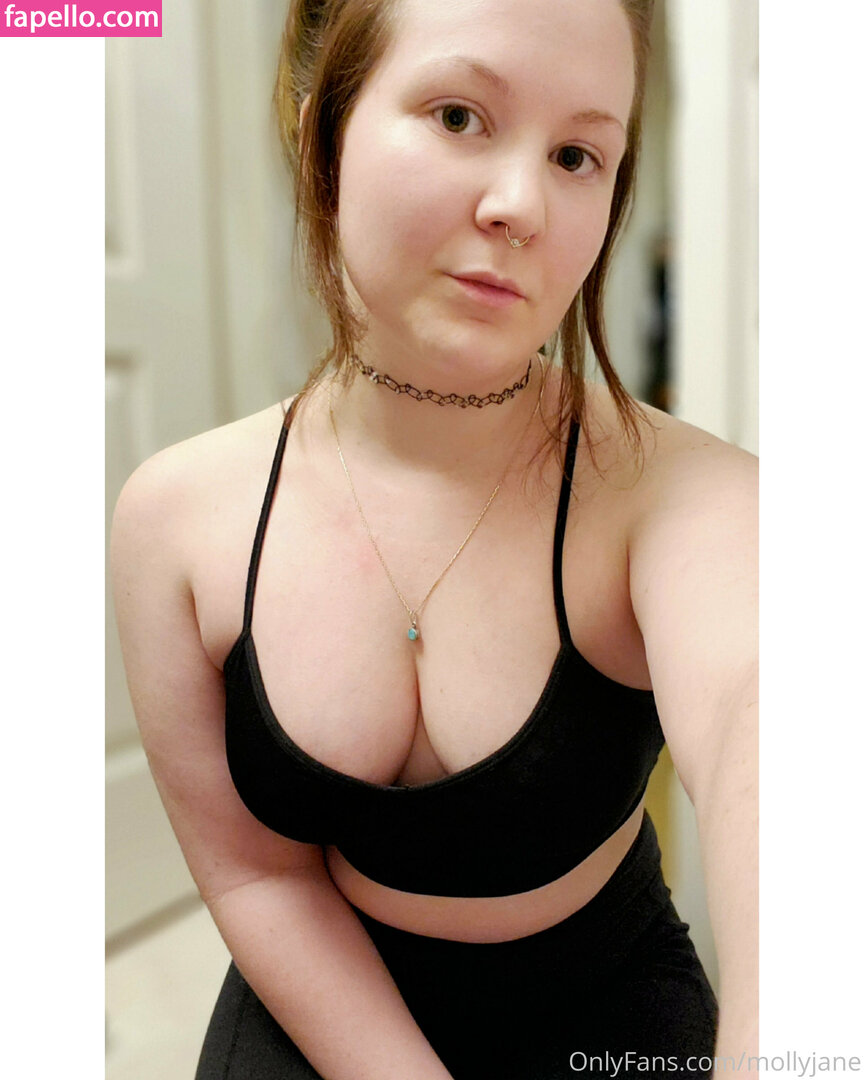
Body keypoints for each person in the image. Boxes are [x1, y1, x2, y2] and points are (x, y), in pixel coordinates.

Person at [111, 0, 757, 1076]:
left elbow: (775, 743)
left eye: (577, 156)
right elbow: (256, 874)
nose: (522, 206)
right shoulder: (175, 521)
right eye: (459, 116)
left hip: (607, 1006)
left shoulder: (685, 498)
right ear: (324, 134)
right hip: (318, 987)